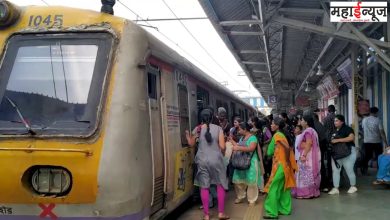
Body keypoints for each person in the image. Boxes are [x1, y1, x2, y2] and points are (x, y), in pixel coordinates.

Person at [185, 109, 230, 220]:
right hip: (216, 160)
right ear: (211, 117)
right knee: (220, 185)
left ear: (201, 118)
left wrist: (187, 136)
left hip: (201, 160)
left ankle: (206, 215)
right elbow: (223, 147)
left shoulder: (198, 129)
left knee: (204, 187)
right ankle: (221, 213)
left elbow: (191, 144)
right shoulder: (218, 128)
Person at [263, 118, 297, 219]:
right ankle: (285, 209)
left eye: (273, 124)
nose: (271, 125)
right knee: (283, 188)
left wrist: (286, 161)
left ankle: (272, 212)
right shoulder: (281, 134)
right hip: (283, 166)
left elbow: (287, 148)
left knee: (273, 187)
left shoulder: (278, 135)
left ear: (277, 126)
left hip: (281, 165)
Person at [229, 122, 262, 206]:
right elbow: (238, 146)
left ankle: (252, 200)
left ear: (245, 129)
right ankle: (240, 196)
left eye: (240, 129)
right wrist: (232, 141)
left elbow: (251, 148)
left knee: (251, 182)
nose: (238, 130)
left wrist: (238, 148)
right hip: (241, 162)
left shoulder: (253, 138)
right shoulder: (242, 138)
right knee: (238, 181)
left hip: (250, 162)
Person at [292, 115, 321, 199]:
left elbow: (309, 143)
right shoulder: (313, 131)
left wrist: (304, 155)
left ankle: (305, 193)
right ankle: (311, 192)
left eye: (302, 120)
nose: (301, 122)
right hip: (311, 155)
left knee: (305, 174)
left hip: (307, 156)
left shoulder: (308, 131)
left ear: (306, 122)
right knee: (309, 174)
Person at [328, 115, 358, 195]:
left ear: (342, 122)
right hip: (336, 154)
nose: (335, 122)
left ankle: (353, 186)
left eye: (337, 121)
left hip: (348, 153)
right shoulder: (334, 131)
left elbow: (351, 138)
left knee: (349, 170)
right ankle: (336, 188)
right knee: (336, 171)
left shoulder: (348, 129)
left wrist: (338, 140)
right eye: (334, 121)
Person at [362, 107, 389, 175]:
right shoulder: (378, 120)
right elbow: (382, 132)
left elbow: (363, 130)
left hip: (366, 141)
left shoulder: (364, 120)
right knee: (379, 157)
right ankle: (379, 171)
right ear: (376, 112)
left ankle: (364, 170)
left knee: (367, 156)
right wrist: (385, 142)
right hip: (376, 141)